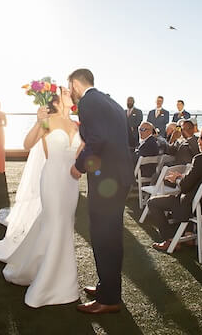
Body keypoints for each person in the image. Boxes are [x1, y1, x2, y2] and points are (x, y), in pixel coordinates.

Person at [0, 89, 82, 308]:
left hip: (72, 182)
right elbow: (27, 145)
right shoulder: (48, 121)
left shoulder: (76, 125)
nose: (69, 92)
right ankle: (46, 285)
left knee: (64, 225)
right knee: (55, 223)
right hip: (53, 180)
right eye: (65, 91)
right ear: (57, 100)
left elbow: (80, 153)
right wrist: (38, 122)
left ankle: (63, 280)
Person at [69, 69, 134, 314]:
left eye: (70, 86)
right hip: (121, 176)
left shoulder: (87, 102)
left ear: (75, 83)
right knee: (112, 236)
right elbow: (120, 136)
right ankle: (107, 287)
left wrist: (79, 166)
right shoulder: (111, 101)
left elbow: (97, 139)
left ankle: (108, 299)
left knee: (103, 237)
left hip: (107, 179)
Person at [148, 125, 202, 252]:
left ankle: (169, 240)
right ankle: (188, 235)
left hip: (193, 206)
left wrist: (176, 179)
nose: (198, 141)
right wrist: (184, 177)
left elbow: (185, 187)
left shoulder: (200, 159)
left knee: (152, 202)